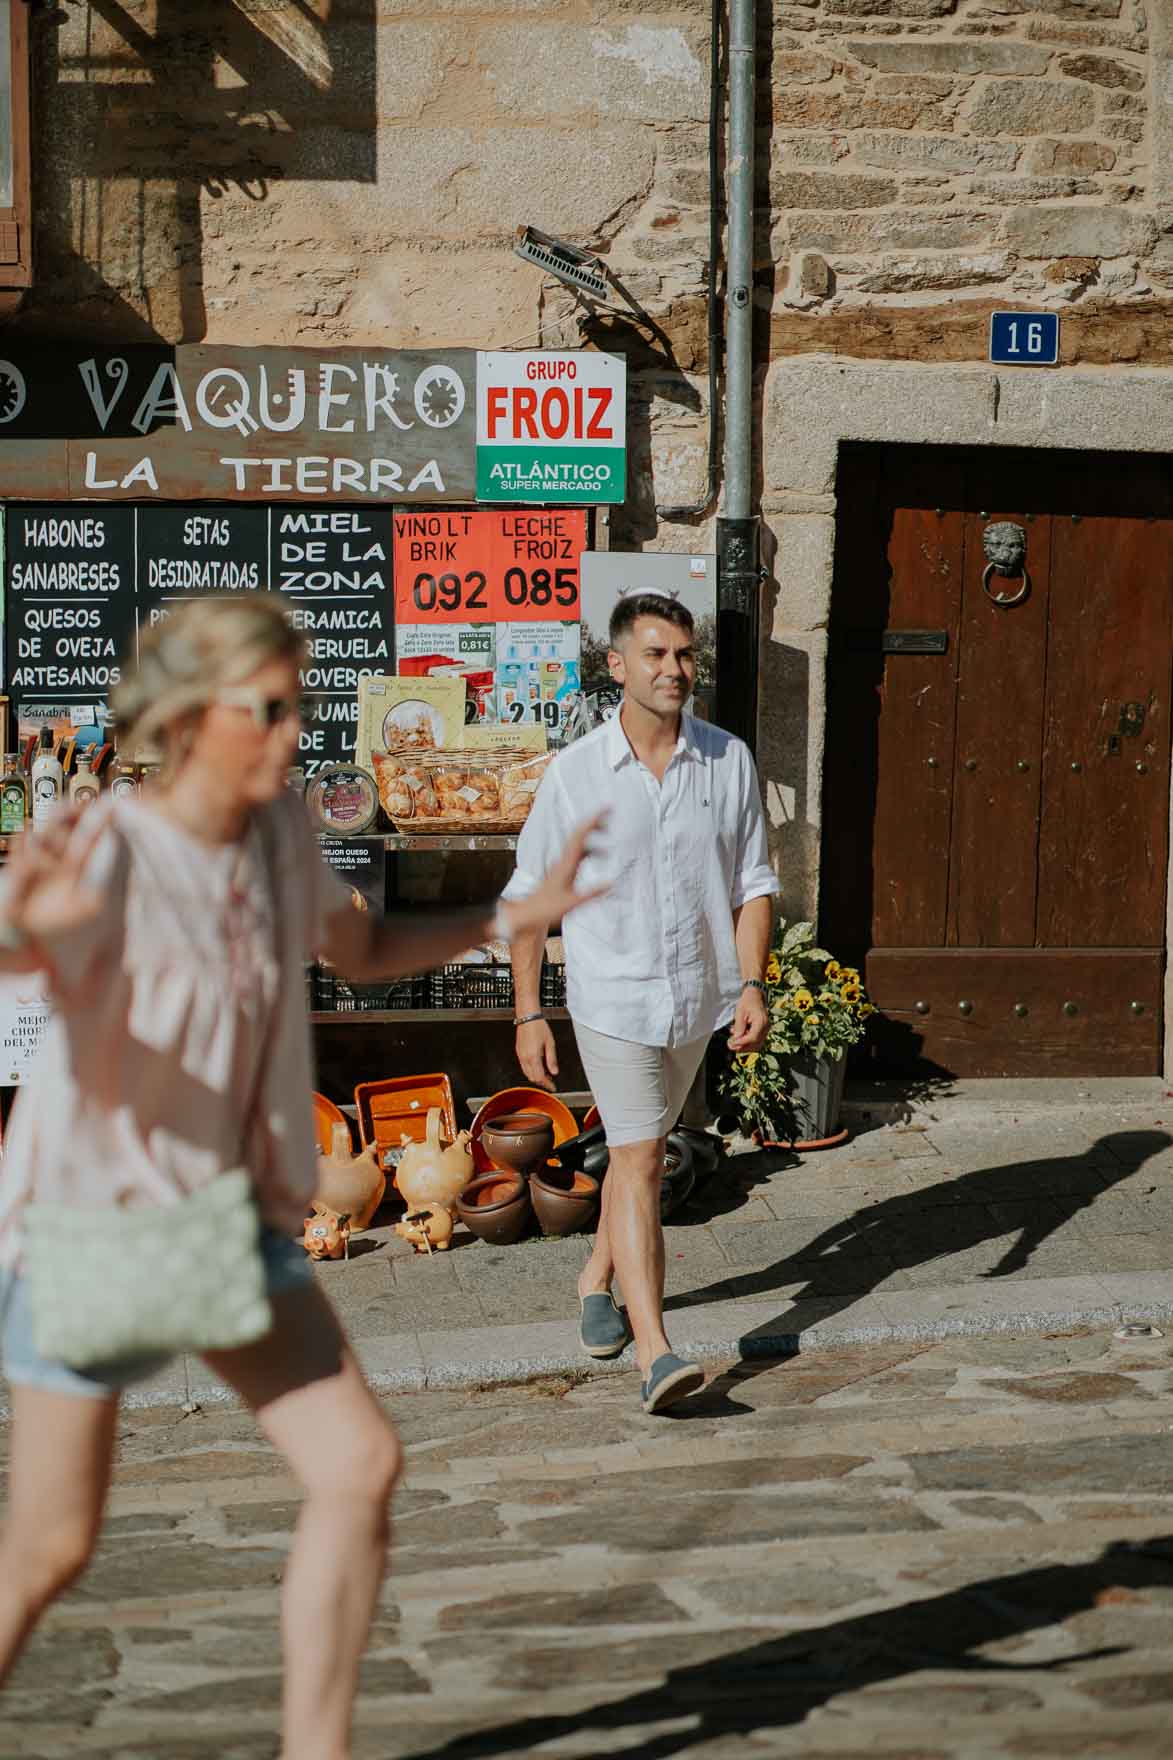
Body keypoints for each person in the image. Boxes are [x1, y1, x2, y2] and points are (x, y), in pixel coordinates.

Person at [0, 595, 602, 1760]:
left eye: (300, 706)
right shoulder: (114, 846)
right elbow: (38, 938)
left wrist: (510, 915)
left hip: (230, 1216)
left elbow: (362, 950)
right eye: (265, 709)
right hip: (95, 1224)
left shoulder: (279, 828)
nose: (290, 733)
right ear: (185, 714)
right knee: (51, 1546)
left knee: (359, 1460)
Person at [504, 590, 779, 1414]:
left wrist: (754, 981)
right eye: (656, 655)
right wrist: (527, 1012)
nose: (674, 670)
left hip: (696, 996)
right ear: (616, 665)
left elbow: (753, 884)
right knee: (638, 1160)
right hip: (611, 996)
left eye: (685, 655)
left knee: (645, 1144)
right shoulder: (576, 775)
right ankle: (656, 1353)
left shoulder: (727, 760)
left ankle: (595, 1275)